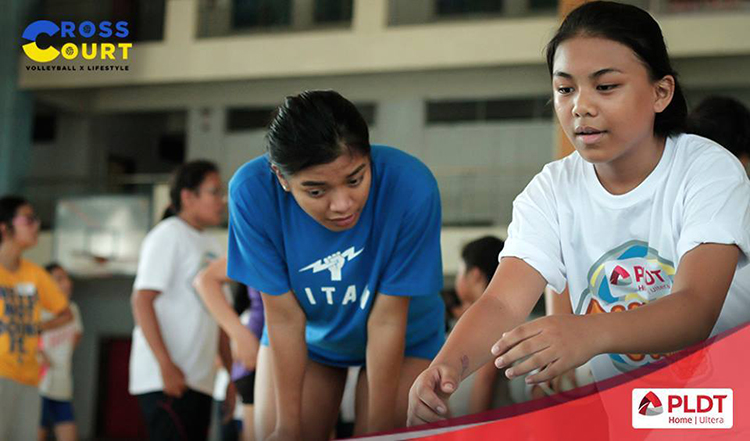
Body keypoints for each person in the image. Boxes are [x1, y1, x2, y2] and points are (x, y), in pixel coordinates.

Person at [408, 1, 750, 426]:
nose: (580, 107)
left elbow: (695, 308)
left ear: (661, 92)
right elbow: (500, 301)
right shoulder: (550, 191)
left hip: (723, 401)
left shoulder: (708, 169)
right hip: (635, 410)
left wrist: (585, 332)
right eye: (565, 88)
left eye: (605, 87)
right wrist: (446, 368)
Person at [226, 90, 445, 439]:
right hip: (310, 341)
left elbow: (387, 318)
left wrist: (378, 428)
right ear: (281, 178)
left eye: (355, 180)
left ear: (369, 158)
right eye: (316, 191)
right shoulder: (251, 194)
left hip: (406, 340)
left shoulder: (411, 186)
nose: (342, 204)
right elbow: (283, 317)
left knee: (378, 432)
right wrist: (288, 426)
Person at [129, 160, 232, 441]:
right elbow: (141, 300)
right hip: (167, 379)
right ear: (187, 196)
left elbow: (222, 317)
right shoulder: (167, 235)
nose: (222, 201)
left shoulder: (213, 246)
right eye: (214, 192)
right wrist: (165, 364)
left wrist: (231, 379)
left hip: (201, 380)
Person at [0, 196, 73, 440]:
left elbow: (66, 314)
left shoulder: (35, 274)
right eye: (28, 219)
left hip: (30, 377)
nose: (36, 225)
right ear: (4, 227)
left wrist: (35, 327)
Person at [195, 259, 264, 441]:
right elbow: (205, 280)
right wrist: (241, 337)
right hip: (259, 359)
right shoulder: (263, 240)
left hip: (310, 352)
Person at [451, 236, 508, 414]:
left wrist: (474, 432)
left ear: (475, 274)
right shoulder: (488, 314)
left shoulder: (490, 316)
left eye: (460, 271)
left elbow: (485, 378)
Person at [38, 263, 83, 441]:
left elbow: (77, 336)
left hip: (62, 387)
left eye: (67, 278)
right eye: (59, 279)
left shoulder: (73, 310)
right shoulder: (37, 310)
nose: (66, 283)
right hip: (40, 387)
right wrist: (40, 354)